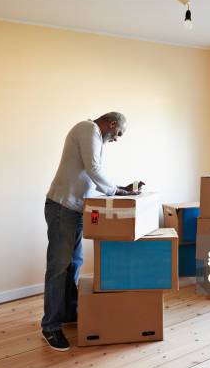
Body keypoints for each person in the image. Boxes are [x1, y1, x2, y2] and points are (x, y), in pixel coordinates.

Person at [42, 112, 144, 351]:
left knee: (74, 263)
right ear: (112, 124)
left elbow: (89, 176)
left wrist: (119, 188)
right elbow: (94, 169)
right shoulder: (88, 128)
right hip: (62, 207)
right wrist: (117, 192)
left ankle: (67, 313)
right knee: (58, 267)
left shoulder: (94, 136)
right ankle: (50, 327)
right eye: (118, 133)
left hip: (75, 209)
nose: (117, 139)